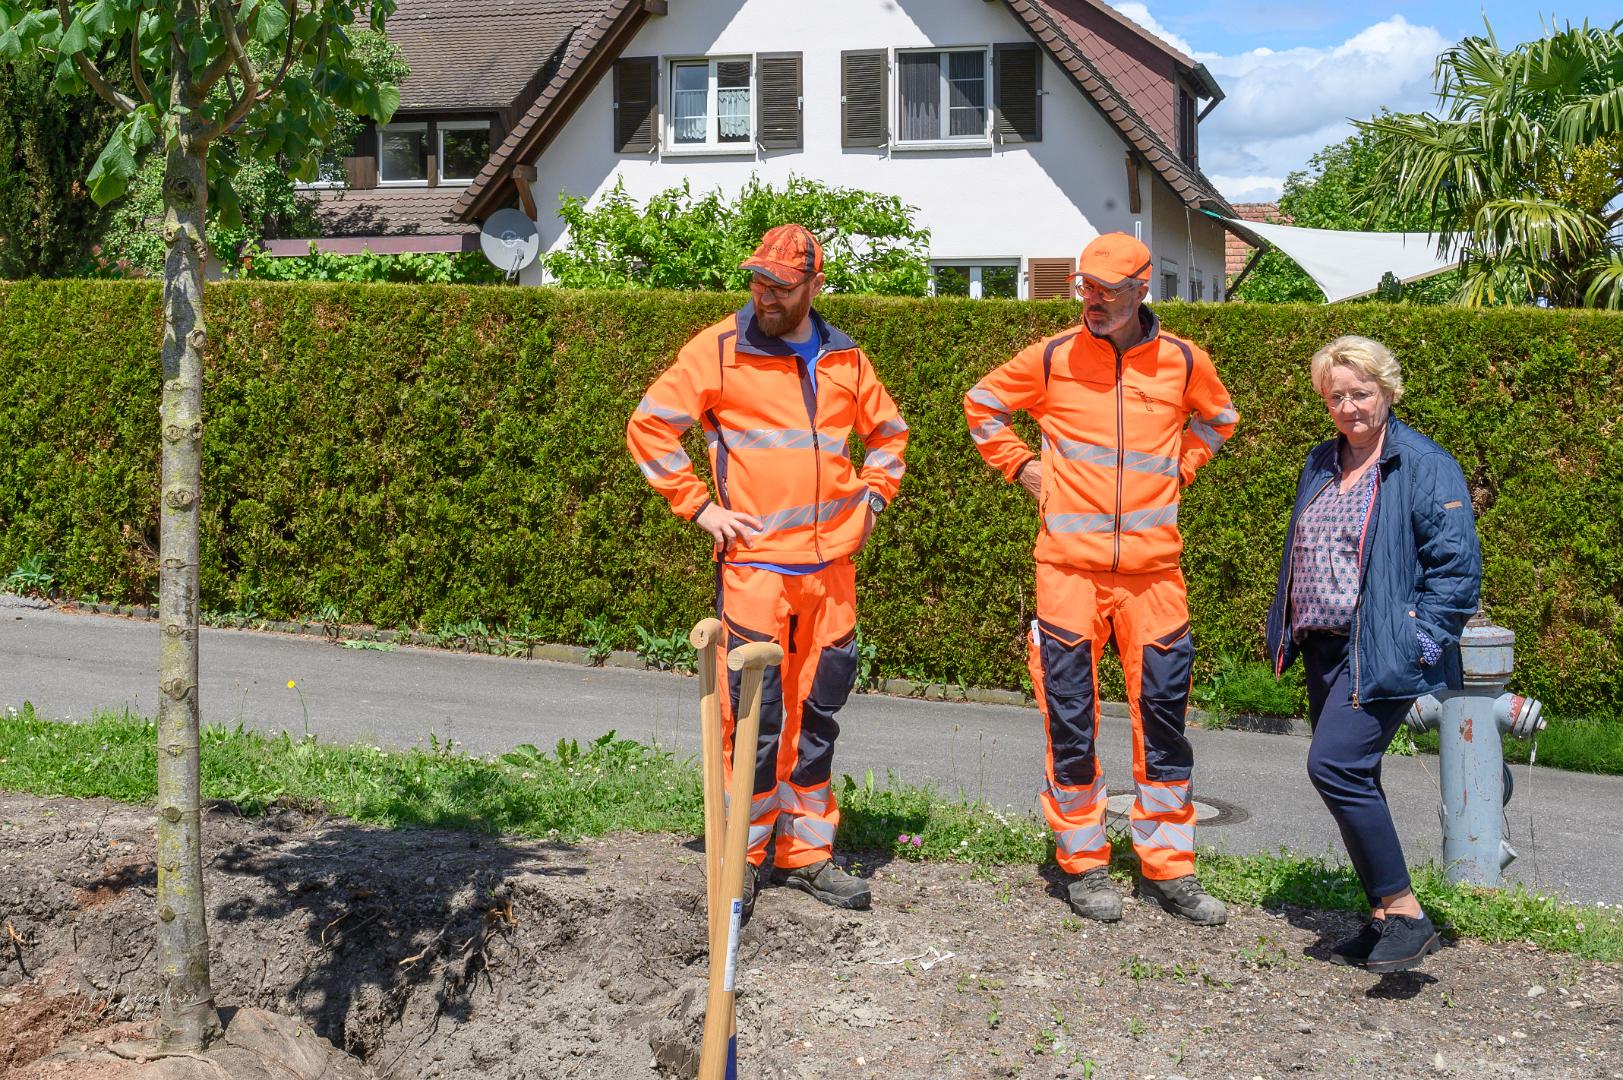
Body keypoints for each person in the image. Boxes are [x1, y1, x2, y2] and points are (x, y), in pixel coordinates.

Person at [626, 224, 909, 917]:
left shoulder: (845, 357)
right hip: (754, 569)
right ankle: (741, 857)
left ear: (814, 286)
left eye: (780, 287)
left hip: (831, 572)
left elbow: (890, 436)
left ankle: (807, 853)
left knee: (817, 716)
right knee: (751, 718)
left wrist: (873, 499)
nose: (765, 296)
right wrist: (696, 506)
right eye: (758, 282)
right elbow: (649, 426)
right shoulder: (719, 349)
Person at [963, 233, 1237, 925]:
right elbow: (981, 404)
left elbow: (1220, 419)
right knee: (1070, 720)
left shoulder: (1181, 361)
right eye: (1085, 286)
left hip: (1153, 576)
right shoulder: (1053, 356)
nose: (1092, 300)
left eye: (1107, 290)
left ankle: (1168, 869)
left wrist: (1184, 466)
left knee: (1165, 724)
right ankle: (1084, 866)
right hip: (1067, 572)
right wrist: (1021, 467)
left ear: (1142, 290)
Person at [1265, 335, 1481, 973]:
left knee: (1334, 766)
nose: (1350, 407)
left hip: (1380, 646)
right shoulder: (1320, 461)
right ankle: (1384, 916)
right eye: (1337, 396)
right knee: (1359, 776)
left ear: (1387, 390)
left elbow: (1456, 571)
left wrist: (1419, 642)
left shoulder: (1421, 462)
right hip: (1323, 646)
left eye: (1361, 393)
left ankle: (1405, 909)